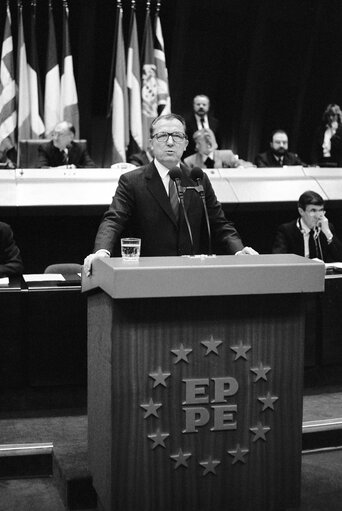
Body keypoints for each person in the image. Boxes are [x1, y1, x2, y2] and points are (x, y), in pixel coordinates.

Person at [84, 113, 257, 275]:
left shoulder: (197, 178)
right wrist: (101, 251)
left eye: (177, 136)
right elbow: (113, 220)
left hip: (191, 274)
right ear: (151, 143)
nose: (170, 142)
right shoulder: (132, 181)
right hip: (146, 275)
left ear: (186, 144)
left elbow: (220, 223)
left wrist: (238, 250)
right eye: (162, 136)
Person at [272, 190, 342, 263]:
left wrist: (328, 234)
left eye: (321, 210)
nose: (318, 216)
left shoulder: (327, 228)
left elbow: (340, 258)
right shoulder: (287, 230)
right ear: (301, 211)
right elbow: (278, 261)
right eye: (313, 211)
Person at [184, 128, 254, 169]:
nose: (196, 147)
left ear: (209, 145)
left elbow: (247, 165)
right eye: (195, 143)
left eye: (199, 143)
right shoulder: (189, 161)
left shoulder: (227, 155)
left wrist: (241, 167)